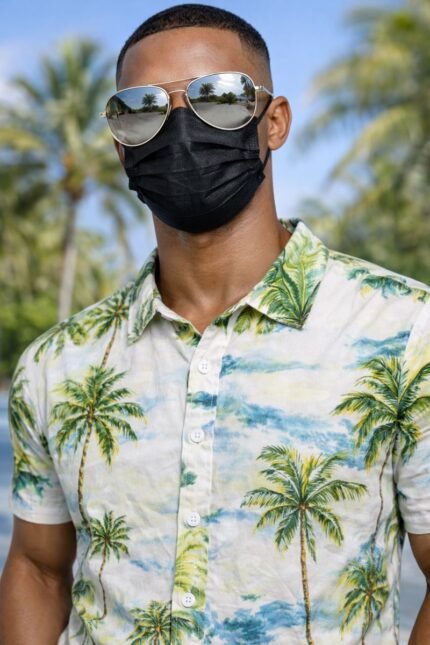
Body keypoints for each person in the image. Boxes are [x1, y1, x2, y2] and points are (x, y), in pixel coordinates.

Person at [0, 4, 429, 644]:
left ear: (274, 122)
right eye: (141, 108)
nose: (180, 126)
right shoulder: (56, 366)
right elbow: (37, 568)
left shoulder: (406, 333)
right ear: (119, 143)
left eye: (218, 98)